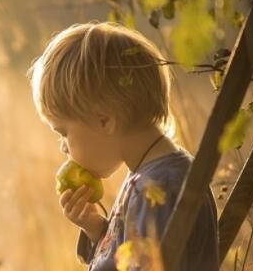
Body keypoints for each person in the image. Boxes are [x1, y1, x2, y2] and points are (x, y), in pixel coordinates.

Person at [26, 21, 219, 271]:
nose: (63, 147)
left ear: (105, 121)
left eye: (64, 133)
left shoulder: (160, 189)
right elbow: (128, 258)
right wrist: (97, 230)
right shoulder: (150, 175)